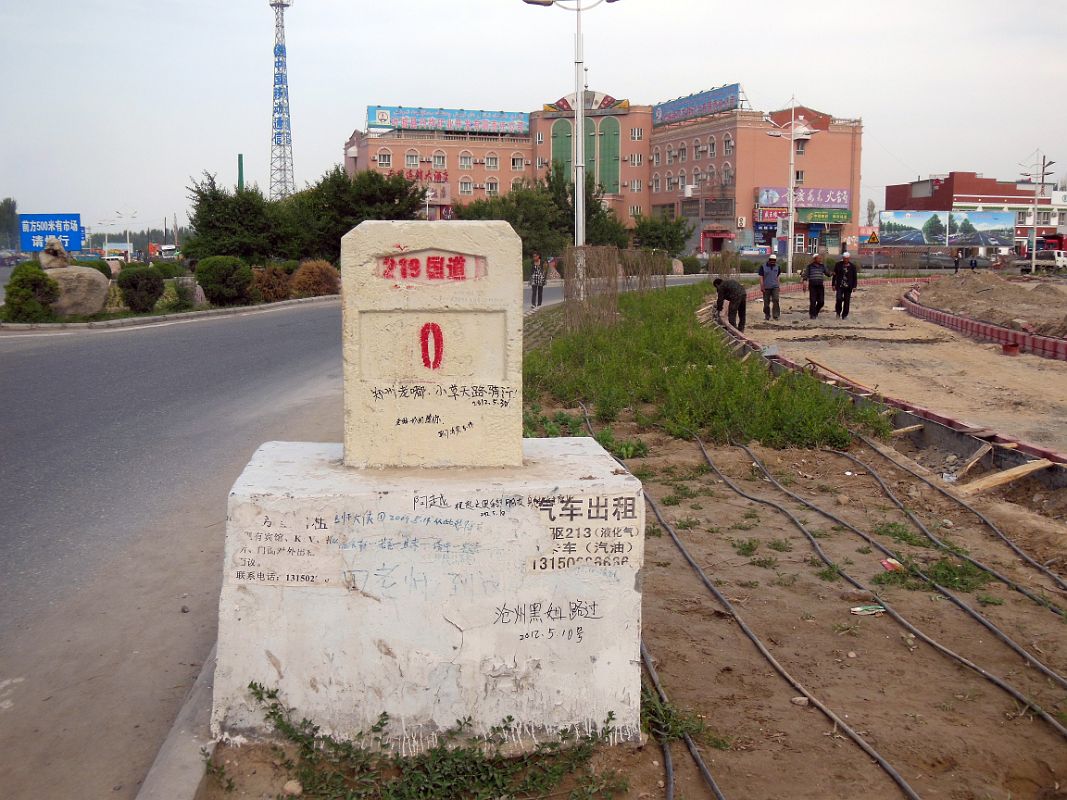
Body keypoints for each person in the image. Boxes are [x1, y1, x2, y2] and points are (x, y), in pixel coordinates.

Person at [803, 253, 831, 319]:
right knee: (813, 301)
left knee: (821, 302)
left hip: (820, 286)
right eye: (818, 258)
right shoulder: (810, 266)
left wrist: (832, 273)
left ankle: (815, 312)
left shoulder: (822, 266)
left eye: (820, 258)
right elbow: (806, 275)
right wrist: (804, 284)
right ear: (815, 259)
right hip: (812, 286)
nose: (820, 259)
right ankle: (812, 315)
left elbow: (827, 273)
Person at [833, 251, 859, 320]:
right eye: (844, 258)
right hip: (840, 286)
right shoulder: (838, 265)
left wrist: (854, 286)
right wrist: (833, 284)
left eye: (847, 258)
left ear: (849, 258)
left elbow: (855, 277)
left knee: (847, 301)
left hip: (848, 286)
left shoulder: (852, 266)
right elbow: (834, 275)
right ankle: (838, 312)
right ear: (843, 258)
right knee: (839, 299)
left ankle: (844, 315)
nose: (845, 260)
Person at [758, 253, 781, 321]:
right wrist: (762, 286)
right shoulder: (763, 267)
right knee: (766, 302)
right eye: (771, 260)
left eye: (774, 260)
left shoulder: (777, 267)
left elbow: (778, 276)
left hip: (775, 287)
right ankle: (767, 315)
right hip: (766, 287)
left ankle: (776, 315)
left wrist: (778, 285)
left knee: (776, 300)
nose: (773, 262)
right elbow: (761, 277)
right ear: (769, 260)